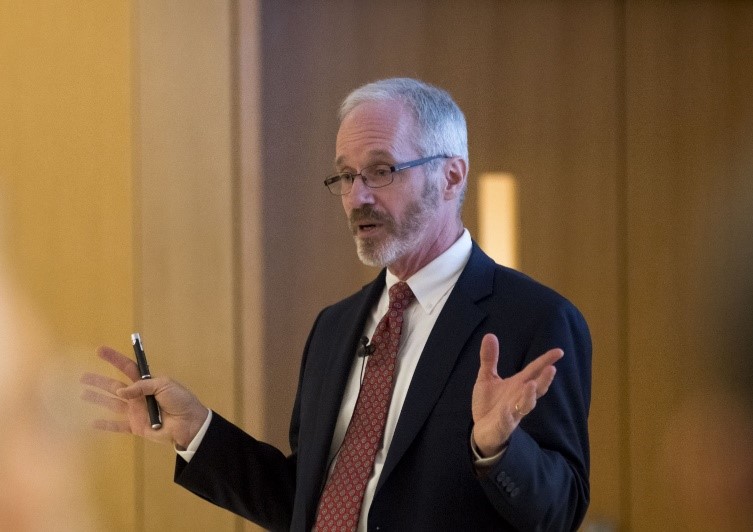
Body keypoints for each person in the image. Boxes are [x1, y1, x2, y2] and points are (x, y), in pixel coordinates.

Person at [83, 78, 591, 531]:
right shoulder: (336, 326)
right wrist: (197, 430)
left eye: (381, 171)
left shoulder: (534, 319)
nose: (357, 197)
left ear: (452, 176)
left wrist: (498, 448)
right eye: (346, 177)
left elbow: (561, 510)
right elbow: (308, 504)